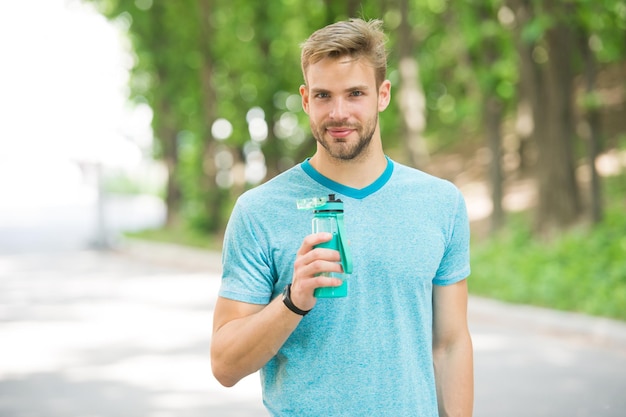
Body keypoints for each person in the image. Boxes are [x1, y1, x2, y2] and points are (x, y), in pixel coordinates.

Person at [211, 18, 473, 417]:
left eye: (355, 94)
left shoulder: (440, 203)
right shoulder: (259, 211)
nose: (338, 112)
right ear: (304, 99)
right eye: (323, 96)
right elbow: (225, 365)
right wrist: (293, 301)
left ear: (382, 95)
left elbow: (450, 345)